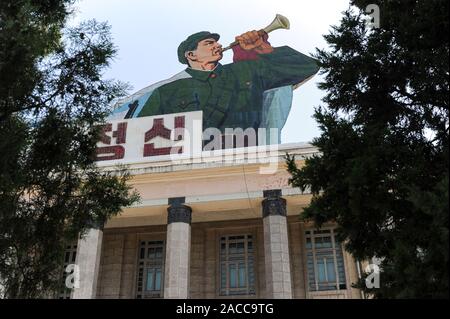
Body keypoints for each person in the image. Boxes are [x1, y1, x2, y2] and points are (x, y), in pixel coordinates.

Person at [136, 30, 319, 137]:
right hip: (187, 164)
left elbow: (307, 67)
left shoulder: (246, 70)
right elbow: (139, 132)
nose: (216, 45)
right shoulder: (167, 91)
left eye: (216, 42)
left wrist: (264, 49)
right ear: (191, 55)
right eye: (208, 43)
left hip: (247, 155)